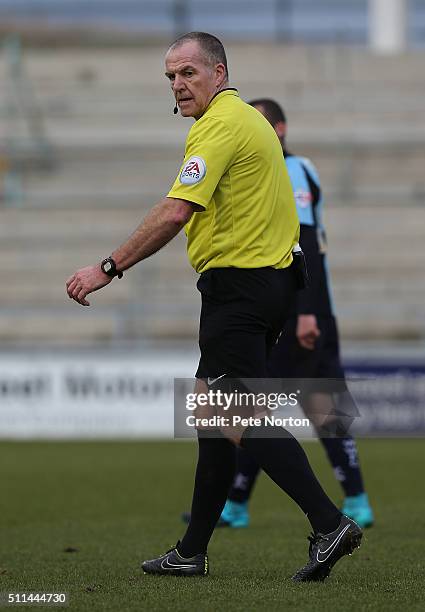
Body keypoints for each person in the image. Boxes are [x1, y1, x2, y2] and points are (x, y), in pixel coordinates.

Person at [66, 32, 362, 582]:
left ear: (218, 74)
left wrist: (106, 268)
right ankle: (192, 550)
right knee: (212, 414)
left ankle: (329, 522)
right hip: (264, 285)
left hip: (241, 288)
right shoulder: (245, 121)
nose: (178, 85)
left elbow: (177, 211)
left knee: (232, 412)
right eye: (171, 77)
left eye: (188, 74)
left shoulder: (220, 125)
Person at [208, 99, 374, 530]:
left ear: (279, 129)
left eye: (262, 125)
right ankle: (352, 499)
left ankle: (240, 504)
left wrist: (306, 313)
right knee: (289, 403)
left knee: (262, 406)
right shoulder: (266, 168)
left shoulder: (293, 168)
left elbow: (303, 245)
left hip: (306, 310)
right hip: (301, 306)